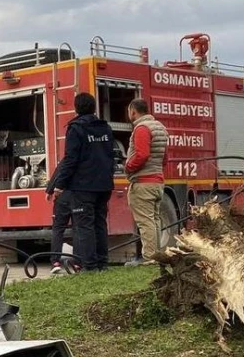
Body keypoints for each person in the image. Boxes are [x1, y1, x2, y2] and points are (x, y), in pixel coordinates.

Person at [44, 92, 115, 272]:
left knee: (84, 226)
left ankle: (89, 267)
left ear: (76, 108)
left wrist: (59, 185)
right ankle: (102, 263)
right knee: (100, 223)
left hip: (83, 186)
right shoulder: (105, 128)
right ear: (93, 107)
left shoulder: (76, 128)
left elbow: (70, 159)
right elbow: (110, 156)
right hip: (104, 185)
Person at [123, 99, 168, 266]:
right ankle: (156, 254)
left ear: (133, 111)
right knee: (154, 219)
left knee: (145, 221)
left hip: (143, 183)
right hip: (157, 181)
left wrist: (128, 166)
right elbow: (165, 158)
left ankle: (150, 257)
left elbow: (142, 155)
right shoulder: (160, 128)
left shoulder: (142, 128)